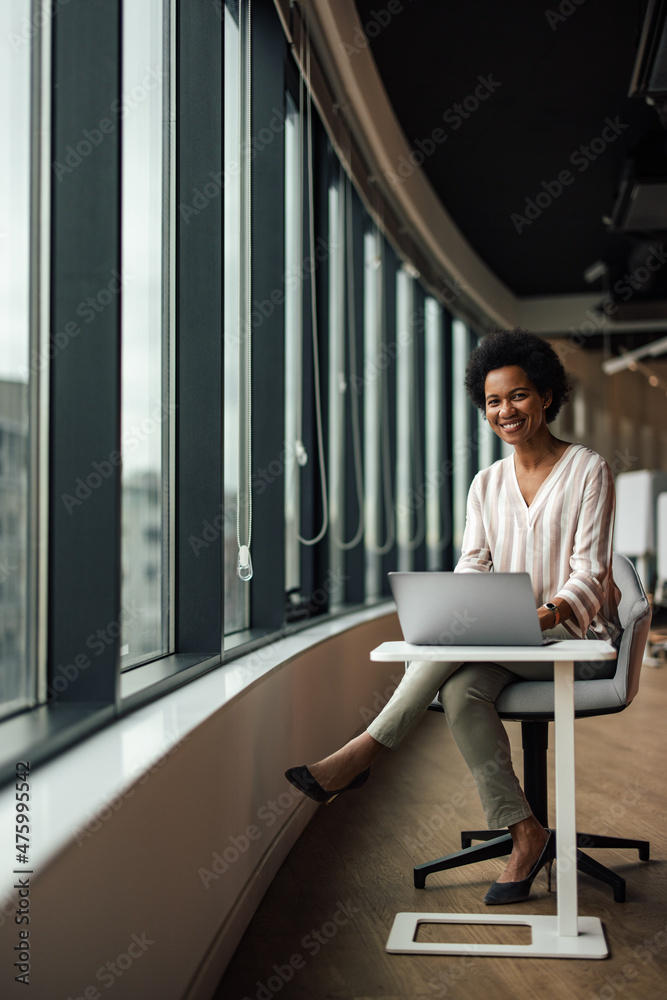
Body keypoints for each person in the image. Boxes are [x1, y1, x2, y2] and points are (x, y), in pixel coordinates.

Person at [285, 327, 622, 904]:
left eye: (517, 395)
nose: (505, 410)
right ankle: (525, 833)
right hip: (504, 644)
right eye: (493, 401)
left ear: (545, 395)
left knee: (456, 654)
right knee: (463, 689)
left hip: (572, 641)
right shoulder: (485, 484)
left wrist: (536, 617)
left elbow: (589, 574)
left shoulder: (589, 471)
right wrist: (467, 609)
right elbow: (473, 564)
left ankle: (361, 753)